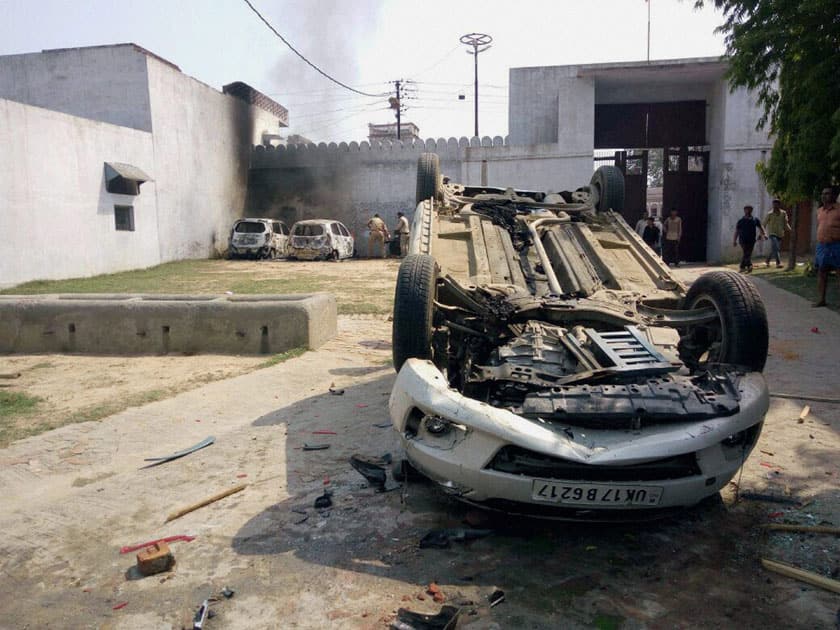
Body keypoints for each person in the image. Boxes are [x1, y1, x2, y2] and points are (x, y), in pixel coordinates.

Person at [813, 186, 840, 307]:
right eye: (823, 194)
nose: (824, 196)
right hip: (822, 246)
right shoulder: (819, 210)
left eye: (827, 193)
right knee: (822, 272)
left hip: (837, 245)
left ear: (834, 196)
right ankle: (821, 300)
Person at [733, 205, 766, 273]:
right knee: (746, 252)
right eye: (747, 209)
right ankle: (749, 266)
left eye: (750, 209)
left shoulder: (755, 219)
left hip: (752, 240)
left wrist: (764, 234)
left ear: (752, 210)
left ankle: (743, 267)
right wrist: (734, 240)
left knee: (748, 253)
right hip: (742, 240)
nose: (748, 211)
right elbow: (737, 231)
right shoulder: (741, 221)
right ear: (744, 210)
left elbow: (761, 227)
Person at [763, 198, 791, 267]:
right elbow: (764, 224)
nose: (775, 206)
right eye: (774, 205)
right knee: (776, 247)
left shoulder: (783, 213)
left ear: (779, 205)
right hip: (772, 233)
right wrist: (764, 233)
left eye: (776, 205)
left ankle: (767, 261)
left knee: (774, 248)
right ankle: (778, 263)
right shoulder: (769, 214)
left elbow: (785, 223)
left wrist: (790, 230)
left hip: (780, 233)